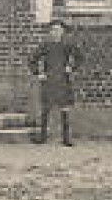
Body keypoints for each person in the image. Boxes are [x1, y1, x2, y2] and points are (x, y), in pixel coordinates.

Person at [28, 18, 83, 146]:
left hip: (63, 80)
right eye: (53, 30)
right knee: (46, 109)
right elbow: (32, 59)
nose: (56, 32)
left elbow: (79, 57)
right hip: (49, 80)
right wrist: (39, 73)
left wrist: (71, 67)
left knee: (65, 109)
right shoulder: (45, 46)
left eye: (58, 30)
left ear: (62, 31)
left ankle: (66, 139)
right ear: (50, 32)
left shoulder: (68, 45)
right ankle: (42, 137)